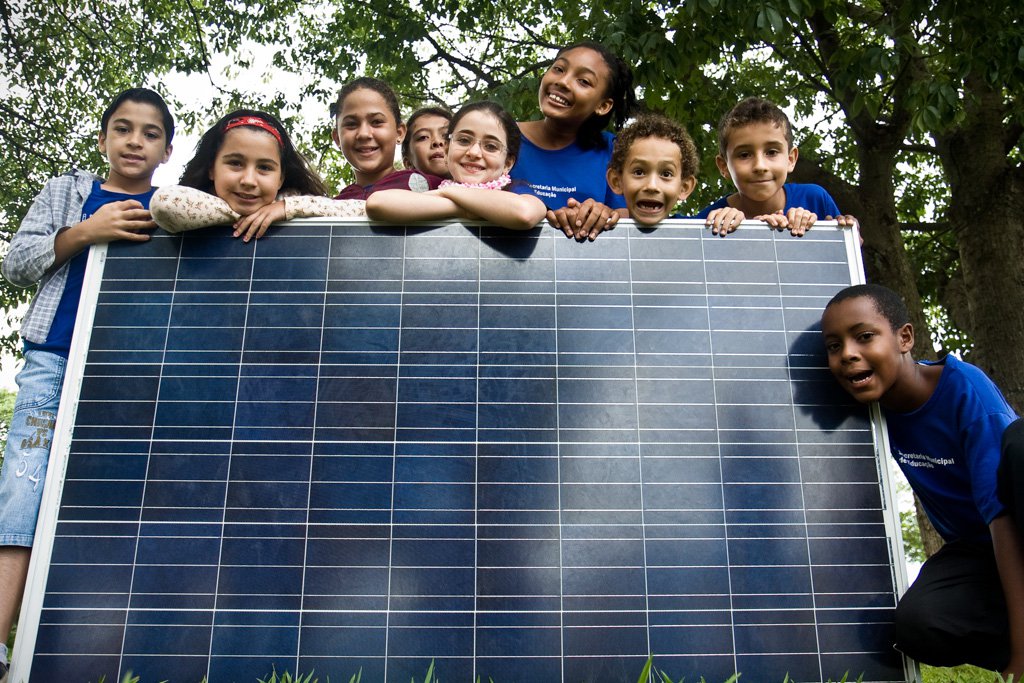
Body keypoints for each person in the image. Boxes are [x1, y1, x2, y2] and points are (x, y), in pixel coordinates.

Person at [0, 87, 175, 677]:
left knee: (106, 500)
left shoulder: (173, 206)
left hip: (127, 369)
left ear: (166, 151)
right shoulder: (67, 193)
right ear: (102, 139)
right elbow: (17, 262)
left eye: (150, 134)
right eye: (123, 129)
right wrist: (86, 230)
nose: (134, 141)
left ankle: (87, 643)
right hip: (53, 359)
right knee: (23, 493)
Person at [820, 283, 1024, 679]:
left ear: (905, 337)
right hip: (976, 549)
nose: (848, 354)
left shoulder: (965, 392)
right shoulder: (873, 407)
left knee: (1019, 444)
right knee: (919, 624)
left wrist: (1021, 658)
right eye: (833, 346)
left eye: (864, 337)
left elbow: (1003, 520)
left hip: (1014, 528)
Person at [150, 109, 364, 239]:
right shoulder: (196, 204)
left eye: (264, 168)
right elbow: (165, 203)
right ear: (211, 169)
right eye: (235, 163)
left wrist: (287, 208)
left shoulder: (289, 203)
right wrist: (238, 218)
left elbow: (362, 210)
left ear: (281, 178)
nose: (249, 181)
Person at [512, 41, 637, 241]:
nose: (563, 82)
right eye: (559, 69)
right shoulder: (501, 135)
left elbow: (630, 217)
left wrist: (603, 213)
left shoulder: (612, 150)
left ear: (603, 105)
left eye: (584, 81)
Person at [366, 101, 546, 231]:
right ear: (446, 150)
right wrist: (461, 206)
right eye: (464, 140)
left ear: (507, 163)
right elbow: (377, 204)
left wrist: (448, 194)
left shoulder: (516, 189)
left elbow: (525, 213)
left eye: (490, 146)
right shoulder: (435, 187)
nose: (474, 152)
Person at [698, 97, 854, 237]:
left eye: (771, 152)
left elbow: (843, 259)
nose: (760, 166)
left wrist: (849, 232)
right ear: (723, 166)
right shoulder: (707, 222)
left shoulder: (815, 200)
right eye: (744, 155)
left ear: (791, 159)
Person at [332, 77, 444, 199]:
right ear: (337, 138)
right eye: (351, 124)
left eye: (376, 122)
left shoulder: (431, 186)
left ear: (399, 132)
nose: (364, 134)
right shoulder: (333, 207)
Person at [605, 113, 699, 226]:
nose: (652, 186)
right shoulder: (601, 235)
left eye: (666, 174)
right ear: (617, 181)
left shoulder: (701, 233)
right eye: (639, 172)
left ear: (684, 187)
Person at [401, 105, 452, 178]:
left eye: (446, 136)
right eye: (423, 137)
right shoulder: (392, 188)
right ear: (408, 163)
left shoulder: (473, 187)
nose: (437, 141)